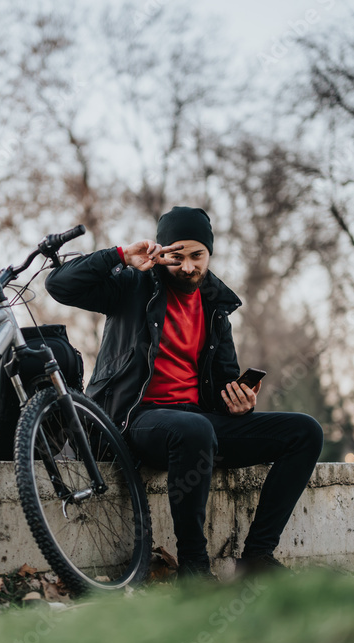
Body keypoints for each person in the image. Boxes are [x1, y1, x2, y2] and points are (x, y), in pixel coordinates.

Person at [46, 206, 324, 578]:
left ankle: (258, 557)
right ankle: (194, 566)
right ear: (162, 252)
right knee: (194, 429)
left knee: (304, 432)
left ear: (208, 254)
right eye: (177, 256)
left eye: (197, 256)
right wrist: (119, 256)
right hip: (133, 420)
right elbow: (58, 285)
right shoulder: (132, 285)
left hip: (197, 424)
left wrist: (239, 403)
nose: (188, 267)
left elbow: (223, 380)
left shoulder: (216, 308)